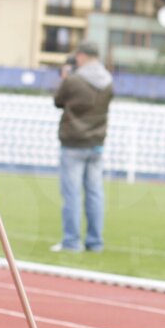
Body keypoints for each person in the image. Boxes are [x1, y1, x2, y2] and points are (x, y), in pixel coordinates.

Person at [52, 42, 114, 253]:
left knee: (72, 194)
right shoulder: (108, 82)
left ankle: (71, 242)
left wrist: (65, 78)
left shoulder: (74, 80)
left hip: (73, 143)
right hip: (96, 143)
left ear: (82, 56)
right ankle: (95, 242)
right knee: (95, 193)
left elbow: (58, 101)